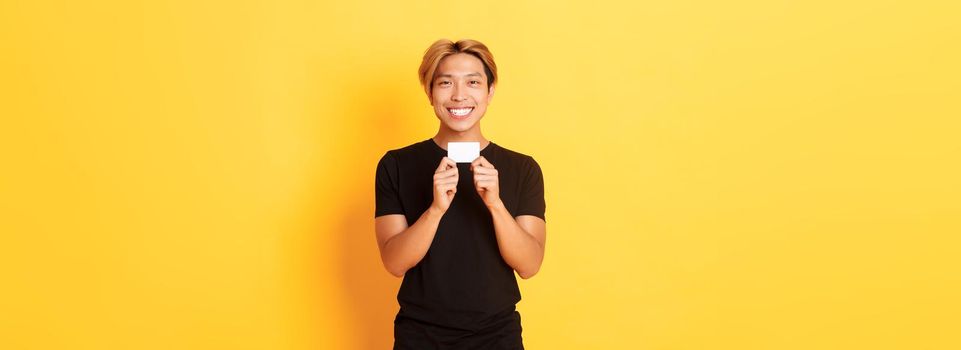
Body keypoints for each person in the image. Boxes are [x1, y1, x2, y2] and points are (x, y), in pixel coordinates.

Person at [373, 38, 547, 349]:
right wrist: (435, 210)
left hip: (497, 334)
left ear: (490, 92)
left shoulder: (523, 168)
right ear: (429, 92)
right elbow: (394, 263)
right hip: (420, 335)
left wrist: (495, 204)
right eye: (445, 83)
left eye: (473, 82)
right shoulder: (395, 164)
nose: (459, 95)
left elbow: (530, 265)